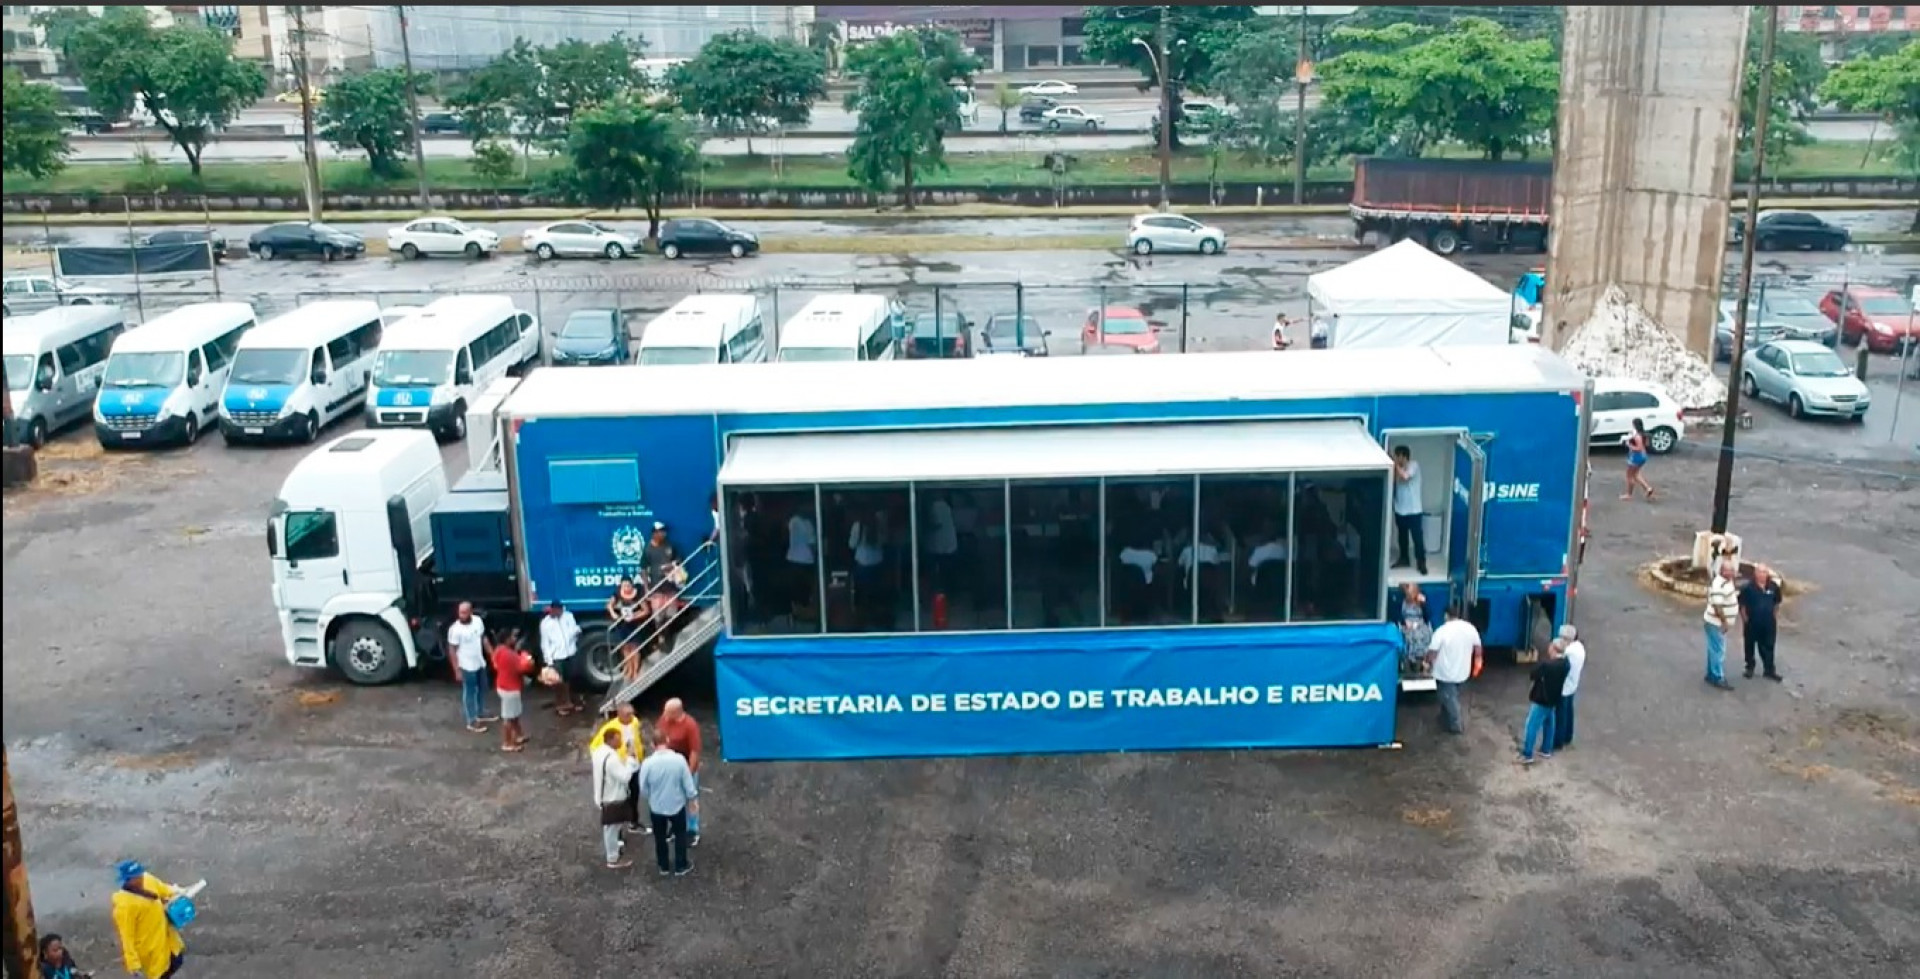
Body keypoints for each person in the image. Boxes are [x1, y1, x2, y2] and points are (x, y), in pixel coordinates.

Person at [110, 861, 184, 979]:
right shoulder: (124, 907)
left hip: (168, 942)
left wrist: (178, 892)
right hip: (151, 951)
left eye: (139, 874)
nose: (140, 879)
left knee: (175, 962)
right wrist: (133, 965)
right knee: (160, 974)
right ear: (127, 880)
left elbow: (164, 889)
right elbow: (127, 937)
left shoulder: (148, 879)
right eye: (135, 877)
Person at [638, 742, 698, 877]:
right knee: (680, 835)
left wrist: (650, 797)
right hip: (676, 804)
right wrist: (692, 799)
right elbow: (687, 782)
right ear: (667, 741)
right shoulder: (679, 760)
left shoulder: (647, 763)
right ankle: (680, 865)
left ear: (653, 744)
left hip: (657, 807)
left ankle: (663, 865)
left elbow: (643, 787)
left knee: (659, 837)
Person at [590, 701, 648, 836]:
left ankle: (634, 822)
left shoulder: (634, 722)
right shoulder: (609, 728)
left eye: (632, 713)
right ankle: (618, 834)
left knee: (634, 796)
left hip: (634, 766)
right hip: (620, 769)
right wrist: (609, 762)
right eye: (628, 714)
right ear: (619, 714)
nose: (631, 716)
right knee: (619, 801)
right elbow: (594, 747)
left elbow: (637, 738)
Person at [1425, 604, 1483, 735]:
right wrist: (1478, 662)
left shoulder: (1441, 631)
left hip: (1445, 672)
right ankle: (1444, 719)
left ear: (1446, 615)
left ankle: (1456, 725)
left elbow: (1432, 652)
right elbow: (1478, 647)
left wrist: (1426, 663)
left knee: (1449, 698)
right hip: (1463, 671)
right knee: (1450, 696)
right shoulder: (1470, 628)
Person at [591, 728, 640, 871]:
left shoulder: (598, 752)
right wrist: (631, 758)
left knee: (612, 827)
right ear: (611, 740)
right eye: (618, 739)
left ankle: (614, 851)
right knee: (612, 828)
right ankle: (613, 858)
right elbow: (625, 777)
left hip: (602, 795)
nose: (621, 742)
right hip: (613, 798)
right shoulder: (612, 759)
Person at [657, 698, 703, 846]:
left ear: (676, 712)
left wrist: (689, 774)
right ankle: (675, 827)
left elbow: (694, 751)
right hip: (669, 765)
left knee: (690, 798)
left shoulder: (690, 725)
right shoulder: (664, 720)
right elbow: (659, 739)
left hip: (685, 764)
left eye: (668, 712)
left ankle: (692, 830)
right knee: (673, 798)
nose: (664, 714)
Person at [1520, 640, 1571, 765]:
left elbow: (1533, 674)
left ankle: (1527, 754)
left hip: (1541, 698)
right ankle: (1546, 749)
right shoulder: (1566, 664)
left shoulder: (1546, 665)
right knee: (1549, 723)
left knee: (1532, 725)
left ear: (1554, 649)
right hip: (1554, 698)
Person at [446, 602, 491, 733]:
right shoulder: (455, 630)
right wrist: (456, 670)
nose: (462, 615)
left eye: (465, 612)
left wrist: (492, 654)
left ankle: (481, 712)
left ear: (471, 612)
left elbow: (483, 638)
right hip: (466, 665)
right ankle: (471, 720)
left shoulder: (478, 621)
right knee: (469, 692)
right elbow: (452, 650)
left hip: (479, 662)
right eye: (460, 612)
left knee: (483, 687)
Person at [490, 631, 536, 752]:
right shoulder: (510, 655)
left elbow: (495, 665)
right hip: (511, 688)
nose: (514, 639)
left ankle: (519, 735)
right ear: (507, 639)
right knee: (509, 717)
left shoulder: (498, 651)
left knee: (514, 714)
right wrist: (527, 658)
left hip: (502, 685)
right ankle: (507, 743)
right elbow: (523, 667)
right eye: (512, 637)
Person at [1739, 564, 1784, 681]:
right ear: (1755, 574)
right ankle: (1750, 667)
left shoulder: (1773, 587)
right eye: (1759, 572)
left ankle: (1769, 670)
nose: (1762, 575)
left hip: (1768, 623)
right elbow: (1742, 605)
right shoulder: (1748, 588)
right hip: (1752, 623)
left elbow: (1777, 602)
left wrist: (1774, 616)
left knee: (1769, 646)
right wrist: (1745, 619)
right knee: (1749, 646)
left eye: (1764, 572)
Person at [539, 599, 584, 715]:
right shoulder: (545, 623)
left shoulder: (568, 616)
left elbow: (574, 629)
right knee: (559, 682)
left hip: (570, 652)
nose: (559, 612)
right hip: (557, 656)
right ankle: (561, 705)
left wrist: (575, 632)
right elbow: (545, 643)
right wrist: (548, 660)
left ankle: (574, 701)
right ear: (552, 610)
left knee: (573, 678)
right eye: (557, 610)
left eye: (560, 610)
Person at [1391, 446, 1428, 576]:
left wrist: (1394, 464)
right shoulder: (1396, 469)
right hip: (1400, 509)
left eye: (1398, 456)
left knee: (1417, 538)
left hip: (1414, 510)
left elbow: (1405, 477)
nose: (1397, 459)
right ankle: (1404, 558)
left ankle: (1421, 562)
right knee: (1402, 537)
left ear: (1404, 456)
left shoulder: (1413, 465)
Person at [1704, 559, 1739, 690]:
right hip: (1715, 623)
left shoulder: (1726, 581)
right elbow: (1718, 606)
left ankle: (1711, 674)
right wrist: (1724, 622)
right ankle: (1718, 677)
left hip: (1714, 622)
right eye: (1730, 570)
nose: (1733, 572)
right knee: (1719, 650)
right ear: (1723, 571)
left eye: (1733, 570)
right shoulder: (1719, 585)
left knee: (1713, 648)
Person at [1552, 624, 1586, 752]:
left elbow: (1559, 662)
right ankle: (1568, 736)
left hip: (1564, 687)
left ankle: (1558, 741)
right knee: (1569, 712)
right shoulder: (1580, 648)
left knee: (1560, 715)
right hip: (1573, 685)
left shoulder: (1569, 651)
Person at [606, 576, 647, 682]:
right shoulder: (618, 594)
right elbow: (609, 605)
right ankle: (629, 668)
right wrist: (613, 613)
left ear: (631, 585)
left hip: (634, 624)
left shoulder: (637, 594)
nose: (626, 587)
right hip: (622, 624)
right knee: (625, 647)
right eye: (624, 585)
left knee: (634, 647)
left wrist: (634, 616)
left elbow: (646, 610)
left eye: (628, 585)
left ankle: (635, 670)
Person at [1398, 582, 1432, 674]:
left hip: (1420, 624)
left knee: (1420, 636)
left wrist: (1424, 604)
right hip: (1407, 624)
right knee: (1407, 636)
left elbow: (1427, 617)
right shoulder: (1402, 601)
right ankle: (1407, 662)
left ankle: (1420, 662)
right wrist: (1404, 622)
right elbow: (1398, 615)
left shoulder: (1421, 600)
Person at [1622, 419, 1657, 501]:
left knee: (1629, 476)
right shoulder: (1642, 435)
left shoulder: (1637, 436)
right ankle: (1648, 488)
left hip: (1636, 457)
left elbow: (1639, 448)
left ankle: (1629, 494)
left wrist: (1629, 445)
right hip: (1643, 456)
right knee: (1636, 474)